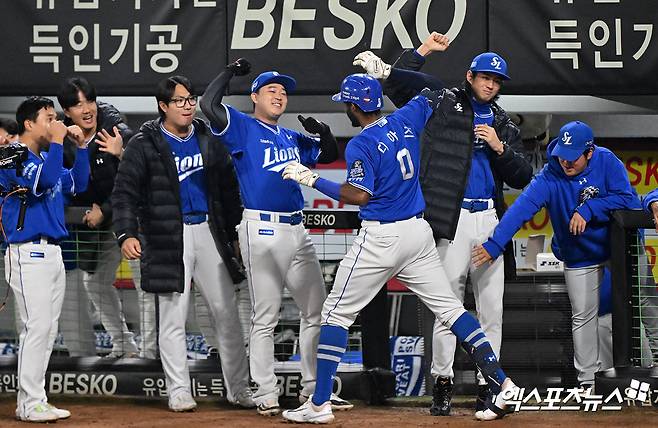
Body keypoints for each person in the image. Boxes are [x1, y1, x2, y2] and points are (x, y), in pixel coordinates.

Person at [281, 74, 518, 423]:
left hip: (382, 239)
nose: (344, 107)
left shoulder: (361, 144)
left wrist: (310, 178)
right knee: (452, 310)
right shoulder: (405, 117)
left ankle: (318, 404)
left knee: (334, 315)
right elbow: (434, 94)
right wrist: (392, 70)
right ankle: (501, 381)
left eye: (346, 102)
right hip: (418, 234)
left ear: (354, 106)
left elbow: (358, 196)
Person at [354, 32, 533, 415]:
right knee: (447, 305)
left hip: (488, 218)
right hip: (452, 218)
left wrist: (500, 148)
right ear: (470, 76)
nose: (490, 84)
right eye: (485, 76)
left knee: (491, 309)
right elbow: (401, 83)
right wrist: (423, 52)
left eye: (497, 80)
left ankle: (492, 387)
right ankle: (442, 382)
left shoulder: (504, 123)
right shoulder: (445, 103)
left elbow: (523, 176)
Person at [200, 59, 352, 416]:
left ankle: (314, 391)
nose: (279, 95)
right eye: (271, 89)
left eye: (283, 91)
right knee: (265, 315)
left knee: (316, 309)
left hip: (298, 229)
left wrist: (325, 134)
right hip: (262, 227)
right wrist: (228, 72)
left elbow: (329, 154)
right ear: (255, 97)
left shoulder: (290, 136)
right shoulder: (241, 126)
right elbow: (208, 105)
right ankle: (265, 391)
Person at [112, 75, 254, 411]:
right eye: (180, 100)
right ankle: (178, 389)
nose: (188, 105)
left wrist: (234, 234)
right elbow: (124, 193)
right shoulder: (144, 143)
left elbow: (228, 189)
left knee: (227, 315)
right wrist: (126, 233)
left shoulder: (207, 136)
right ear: (163, 106)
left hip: (208, 231)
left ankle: (238, 388)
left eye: (191, 99)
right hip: (167, 236)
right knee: (173, 318)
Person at [471, 121, 641, 388]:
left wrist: (589, 209)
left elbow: (629, 200)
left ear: (590, 152)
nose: (566, 163)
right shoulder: (550, 175)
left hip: (619, 249)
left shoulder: (607, 162)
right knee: (583, 317)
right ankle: (588, 384)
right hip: (579, 253)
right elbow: (521, 210)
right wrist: (495, 244)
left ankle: (647, 377)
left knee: (642, 311)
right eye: (562, 155)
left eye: (573, 157)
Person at [3, 96, 89, 422]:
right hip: (28, 251)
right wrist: (58, 140)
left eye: (55, 118)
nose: (55, 123)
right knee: (36, 328)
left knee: (48, 330)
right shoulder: (14, 157)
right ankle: (27, 403)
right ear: (29, 123)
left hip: (52, 253)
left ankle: (37, 398)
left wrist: (79, 150)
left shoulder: (44, 157)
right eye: (48, 117)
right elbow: (45, 183)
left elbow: (76, 183)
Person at [57, 77, 144, 358]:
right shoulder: (65, 141)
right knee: (94, 282)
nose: (86, 109)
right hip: (100, 224)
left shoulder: (117, 131)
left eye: (90, 101)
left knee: (147, 286)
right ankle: (124, 345)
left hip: (132, 216)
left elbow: (138, 179)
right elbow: (67, 185)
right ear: (67, 111)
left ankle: (154, 352)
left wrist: (122, 155)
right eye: (78, 104)